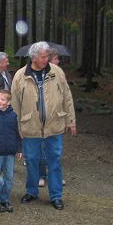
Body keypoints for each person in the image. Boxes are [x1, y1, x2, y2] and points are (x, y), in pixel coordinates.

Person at [11, 41, 76, 210]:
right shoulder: (20, 75)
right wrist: (16, 125)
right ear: (33, 57)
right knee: (32, 160)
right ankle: (32, 191)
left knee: (54, 161)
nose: (46, 59)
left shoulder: (57, 72)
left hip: (54, 126)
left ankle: (56, 196)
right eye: (43, 56)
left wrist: (71, 120)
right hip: (30, 127)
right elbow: (15, 103)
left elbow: (67, 97)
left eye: (47, 56)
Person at [38, 48, 65, 187]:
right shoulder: (39, 75)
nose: (58, 61)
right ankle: (41, 175)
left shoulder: (60, 74)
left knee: (56, 152)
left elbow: (65, 95)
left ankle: (56, 177)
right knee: (42, 150)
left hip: (56, 120)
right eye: (56, 59)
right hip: (41, 120)